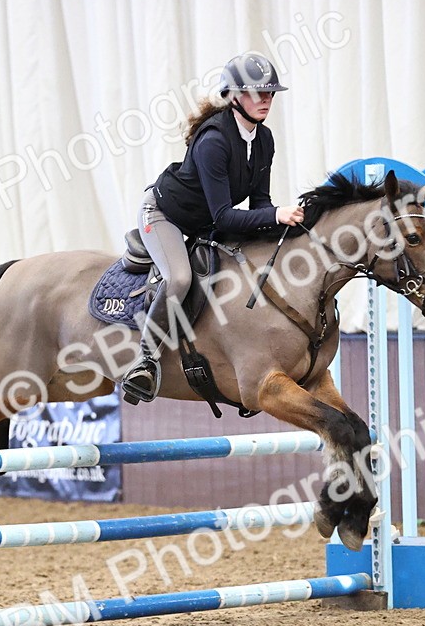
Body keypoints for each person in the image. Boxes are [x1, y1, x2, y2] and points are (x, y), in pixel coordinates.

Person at [121, 51, 305, 403]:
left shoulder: (264, 140)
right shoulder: (214, 141)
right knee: (179, 278)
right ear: (234, 97)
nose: (265, 100)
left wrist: (283, 224)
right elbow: (224, 216)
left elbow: (260, 205)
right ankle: (144, 361)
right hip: (164, 216)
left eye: (269, 93)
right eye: (256, 93)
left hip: (204, 222)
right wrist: (276, 215)